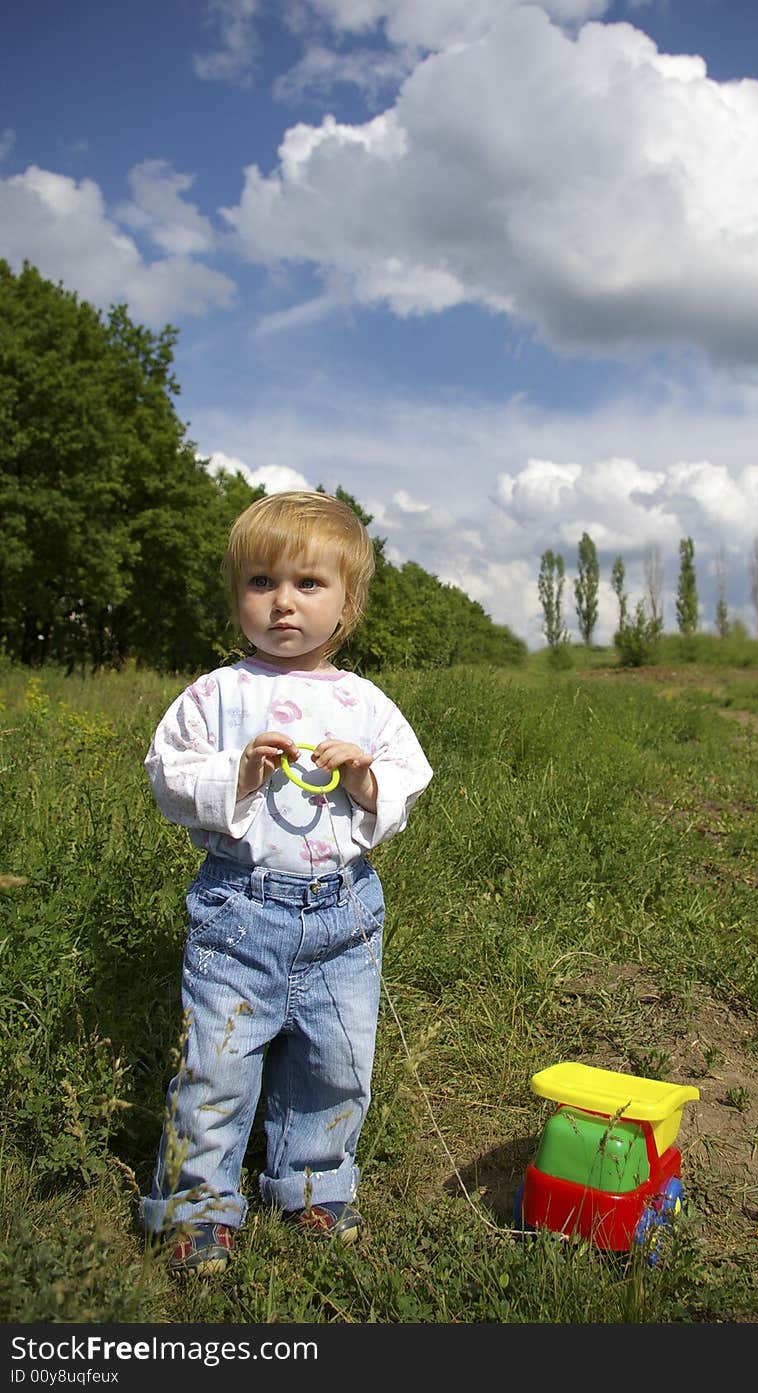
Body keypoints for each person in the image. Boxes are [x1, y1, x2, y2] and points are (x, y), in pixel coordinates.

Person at [140, 490, 433, 1276]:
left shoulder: (363, 701)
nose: (283, 603)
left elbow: (409, 780)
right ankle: (198, 1202)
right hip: (240, 911)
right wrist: (234, 772)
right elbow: (167, 774)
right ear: (237, 595)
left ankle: (313, 1180)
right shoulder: (217, 693)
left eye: (308, 584)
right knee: (218, 1060)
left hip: (343, 914)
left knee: (336, 1057)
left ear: (347, 602)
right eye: (262, 582)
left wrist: (367, 780)